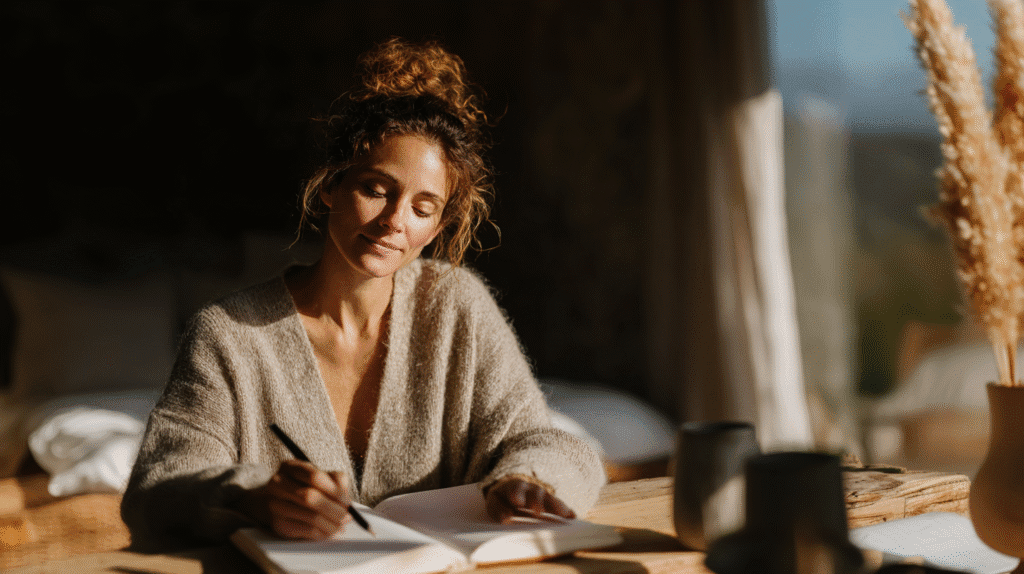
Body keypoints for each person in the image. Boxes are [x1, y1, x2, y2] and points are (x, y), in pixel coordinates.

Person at [121, 38, 605, 551]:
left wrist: (527, 479)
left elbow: (550, 444)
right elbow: (155, 492)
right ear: (331, 184)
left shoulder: (456, 307)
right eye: (376, 189)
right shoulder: (230, 337)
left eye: (423, 207)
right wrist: (254, 495)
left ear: (439, 223)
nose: (395, 222)